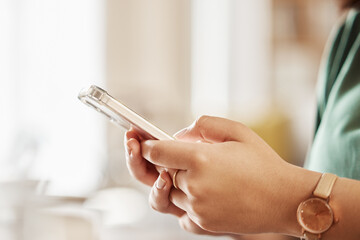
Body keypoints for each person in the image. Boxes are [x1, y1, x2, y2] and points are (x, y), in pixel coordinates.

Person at [124, 1, 360, 239]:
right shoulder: (349, 36)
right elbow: (307, 231)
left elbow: (303, 211)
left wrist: (279, 199)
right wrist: (236, 216)